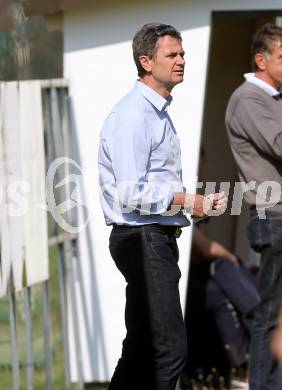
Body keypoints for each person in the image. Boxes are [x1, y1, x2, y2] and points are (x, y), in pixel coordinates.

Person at [98, 23, 226, 390]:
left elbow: (151, 186)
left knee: (141, 348)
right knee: (168, 349)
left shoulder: (155, 112)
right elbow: (130, 191)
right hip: (142, 240)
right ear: (146, 62)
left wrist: (190, 208)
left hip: (152, 237)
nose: (182, 60)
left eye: (182, 53)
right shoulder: (134, 115)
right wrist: (188, 199)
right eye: (172, 55)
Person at [225, 23, 282, 390]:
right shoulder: (249, 99)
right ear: (260, 60)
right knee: (273, 313)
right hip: (274, 216)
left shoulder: (274, 98)